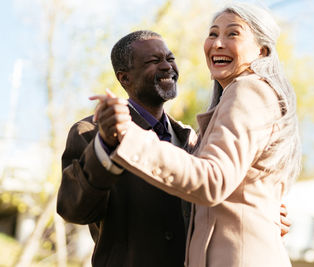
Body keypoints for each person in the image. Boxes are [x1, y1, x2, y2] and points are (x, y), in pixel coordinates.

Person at [58, 30, 291, 266]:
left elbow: (214, 193)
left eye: (170, 59)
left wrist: (260, 212)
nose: (167, 66)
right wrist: (107, 145)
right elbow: (73, 209)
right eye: (153, 61)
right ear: (124, 78)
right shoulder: (92, 132)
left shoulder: (192, 140)